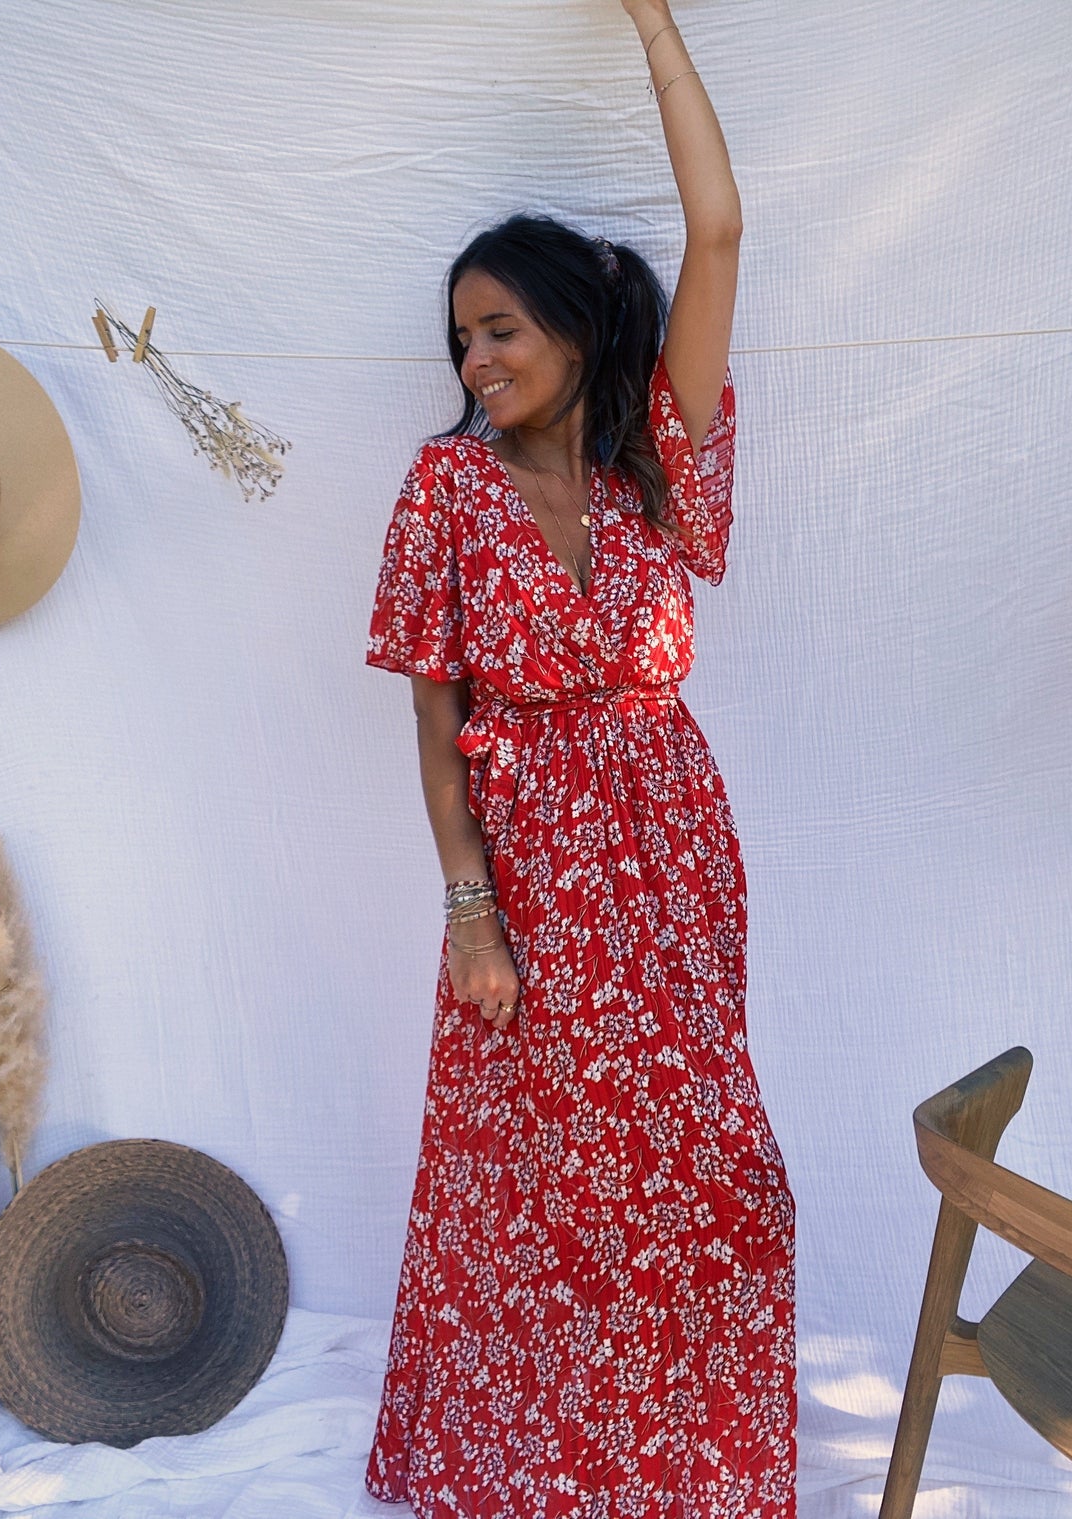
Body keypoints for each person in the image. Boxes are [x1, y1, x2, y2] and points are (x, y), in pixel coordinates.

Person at [364, 3, 795, 1513]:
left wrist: (655, 28)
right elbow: (433, 715)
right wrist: (467, 909)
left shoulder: (646, 478)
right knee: (536, 1190)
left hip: (670, 850)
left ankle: (681, 1467)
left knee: (705, 1178)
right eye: (463, 337)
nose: (477, 360)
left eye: (503, 329)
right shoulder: (444, 488)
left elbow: (721, 231)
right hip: (531, 872)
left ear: (578, 329)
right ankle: (531, 1467)